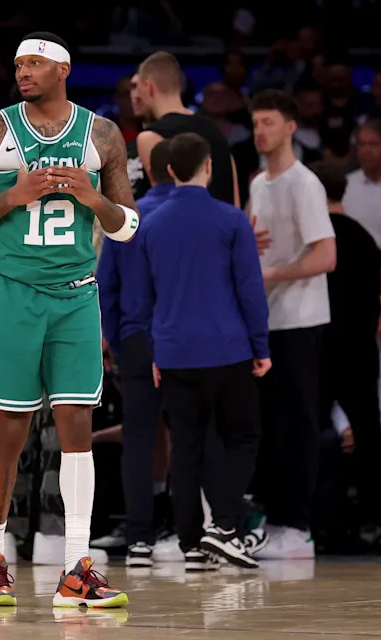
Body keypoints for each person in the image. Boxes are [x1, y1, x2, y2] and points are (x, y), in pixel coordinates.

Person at [0, 31, 137, 608]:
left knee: (77, 427)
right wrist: (12, 195)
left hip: (76, 294)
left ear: (63, 70)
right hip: (14, 293)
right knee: (11, 428)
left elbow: (128, 226)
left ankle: (77, 567)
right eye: (18, 65)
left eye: (34, 63)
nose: (23, 72)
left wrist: (94, 199)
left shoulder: (102, 134)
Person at [134, 132, 269, 570]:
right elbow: (250, 290)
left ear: (170, 170)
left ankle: (191, 545)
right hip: (227, 349)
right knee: (243, 437)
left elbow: (144, 297)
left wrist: (155, 352)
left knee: (186, 447)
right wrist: (261, 346)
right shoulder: (231, 220)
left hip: (174, 352)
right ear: (209, 167)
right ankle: (224, 526)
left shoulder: (150, 224)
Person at [248, 90, 336, 560]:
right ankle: (278, 519)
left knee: (299, 424)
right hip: (268, 321)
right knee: (273, 426)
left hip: (301, 319)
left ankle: (299, 526)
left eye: (269, 122)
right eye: (256, 123)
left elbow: (326, 255)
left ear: (290, 127)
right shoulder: (259, 184)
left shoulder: (305, 183)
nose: (260, 131)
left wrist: (272, 274)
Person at [97, 140, 174, 567]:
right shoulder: (200, 217)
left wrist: (113, 338)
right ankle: (188, 535)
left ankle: (139, 539)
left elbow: (105, 285)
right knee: (192, 435)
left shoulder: (126, 219)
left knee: (139, 437)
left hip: (135, 341)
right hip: (185, 344)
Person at [309, 160, 381, 536]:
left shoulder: (318, 241)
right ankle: (379, 515)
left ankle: (318, 518)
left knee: (314, 432)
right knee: (368, 433)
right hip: (361, 350)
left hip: (322, 349)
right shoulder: (365, 239)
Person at [134, 51, 240, 207]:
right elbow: (235, 199)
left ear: (149, 87)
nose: (137, 96)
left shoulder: (150, 137)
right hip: (225, 221)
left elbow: (161, 207)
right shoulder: (214, 128)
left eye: (138, 88)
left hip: (183, 222)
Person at [342, 119, 381, 268]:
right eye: (361, 144)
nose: (366, 150)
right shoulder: (345, 185)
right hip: (353, 272)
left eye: (373, 144)